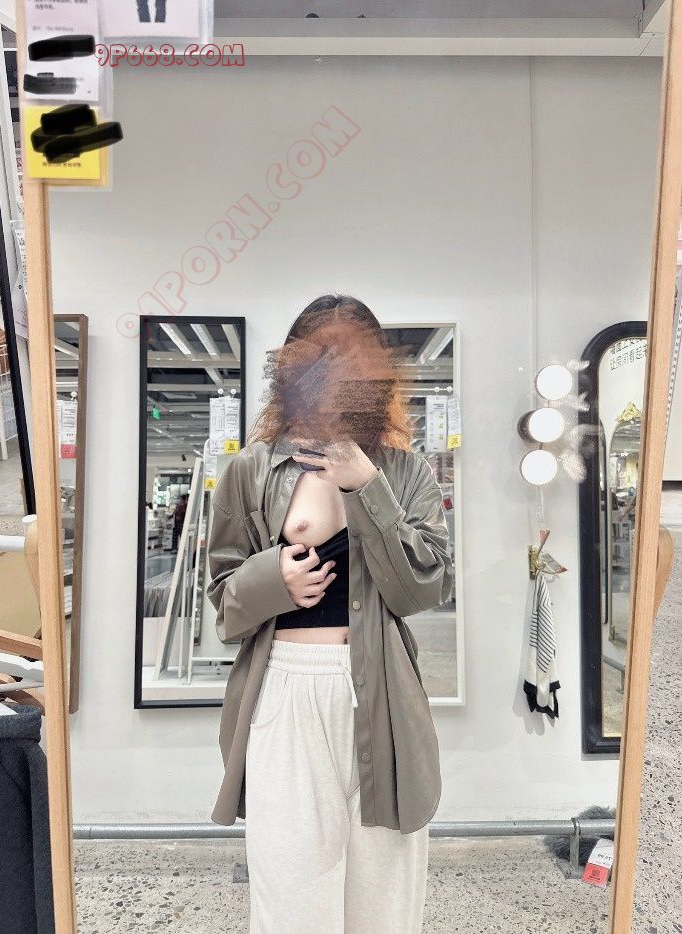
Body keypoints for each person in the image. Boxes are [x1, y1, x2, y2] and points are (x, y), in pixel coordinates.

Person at [206, 294, 453, 933]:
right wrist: (275, 578)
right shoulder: (250, 470)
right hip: (283, 686)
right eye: (322, 355)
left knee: (385, 894)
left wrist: (366, 485)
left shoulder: (404, 471)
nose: (338, 372)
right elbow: (223, 601)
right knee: (290, 887)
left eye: (354, 357)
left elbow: (423, 589)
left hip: (382, 690)